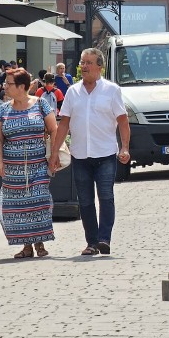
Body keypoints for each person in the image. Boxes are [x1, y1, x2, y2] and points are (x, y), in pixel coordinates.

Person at [49, 48, 130, 256]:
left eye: (88, 63)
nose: (83, 66)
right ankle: (92, 242)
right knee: (85, 201)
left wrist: (125, 147)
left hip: (105, 154)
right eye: (82, 63)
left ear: (99, 66)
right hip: (80, 154)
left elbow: (122, 121)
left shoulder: (112, 90)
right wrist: (55, 152)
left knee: (106, 196)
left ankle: (104, 239)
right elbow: (64, 124)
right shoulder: (73, 92)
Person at [0, 67, 57, 258]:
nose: (5, 86)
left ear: (21, 86)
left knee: (38, 202)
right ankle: (26, 246)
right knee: (18, 207)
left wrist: (53, 156)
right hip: (13, 168)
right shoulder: (4, 109)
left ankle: (40, 243)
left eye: (9, 83)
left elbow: (54, 129)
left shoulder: (41, 104)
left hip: (38, 165)